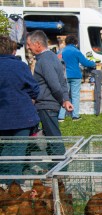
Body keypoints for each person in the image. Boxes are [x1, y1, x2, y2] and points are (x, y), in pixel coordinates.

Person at [26, 30, 73, 155]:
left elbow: (55, 85)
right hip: (48, 105)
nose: (28, 47)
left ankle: (61, 169)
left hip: (47, 105)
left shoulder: (45, 60)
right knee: (50, 137)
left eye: (29, 44)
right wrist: (65, 99)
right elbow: (63, 81)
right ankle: (54, 168)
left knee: (54, 139)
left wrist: (63, 100)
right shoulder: (52, 57)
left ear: (37, 44)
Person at [0, 35, 40, 178]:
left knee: (4, 151)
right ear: (12, 51)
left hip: (2, 118)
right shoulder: (20, 66)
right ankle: (14, 188)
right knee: (17, 151)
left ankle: (4, 184)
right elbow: (35, 89)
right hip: (21, 117)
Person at [58, 35, 96, 121]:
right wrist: (93, 63)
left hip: (64, 76)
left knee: (64, 95)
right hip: (75, 76)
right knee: (75, 95)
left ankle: (61, 116)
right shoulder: (76, 51)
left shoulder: (61, 51)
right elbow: (85, 62)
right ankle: (75, 116)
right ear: (75, 43)